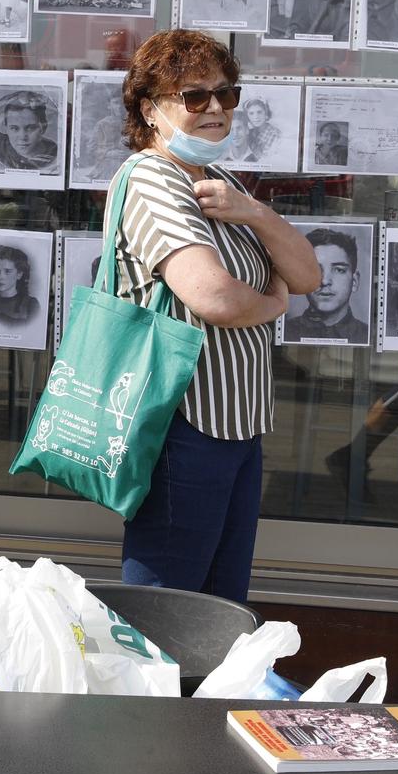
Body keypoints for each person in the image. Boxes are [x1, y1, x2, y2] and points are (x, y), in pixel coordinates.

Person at [113, 29, 319, 600]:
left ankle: (202, 692)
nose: (215, 109)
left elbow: (308, 276)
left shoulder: (220, 182)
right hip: (181, 422)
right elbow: (216, 298)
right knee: (168, 606)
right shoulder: (152, 179)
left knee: (222, 605)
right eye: (194, 96)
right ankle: (149, 696)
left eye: (225, 94)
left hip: (237, 421)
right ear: (151, 110)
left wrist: (256, 213)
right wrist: (273, 303)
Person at [288, 227, 367, 343]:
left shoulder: (367, 335)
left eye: (339, 270)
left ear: (354, 281)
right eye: (315, 269)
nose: (324, 281)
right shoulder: (285, 332)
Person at [0, 91, 57, 170]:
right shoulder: (0, 145)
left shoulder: (54, 158)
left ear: (43, 128)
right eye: (14, 128)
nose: (22, 137)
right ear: (5, 128)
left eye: (30, 128)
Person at [226, 98, 280, 167]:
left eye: (259, 112)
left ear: (266, 113)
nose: (256, 117)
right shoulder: (251, 132)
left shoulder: (275, 134)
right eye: (251, 113)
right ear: (247, 116)